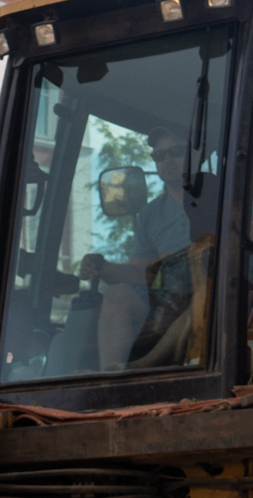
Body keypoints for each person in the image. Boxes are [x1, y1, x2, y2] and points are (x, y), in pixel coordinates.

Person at [79, 123, 218, 369]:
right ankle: (111, 382)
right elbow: (140, 273)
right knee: (116, 294)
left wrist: (204, 250)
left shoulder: (223, 193)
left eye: (176, 151)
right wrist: (103, 267)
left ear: (198, 154)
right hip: (169, 298)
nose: (167, 160)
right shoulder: (150, 214)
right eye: (159, 155)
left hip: (219, 288)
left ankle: (144, 365)